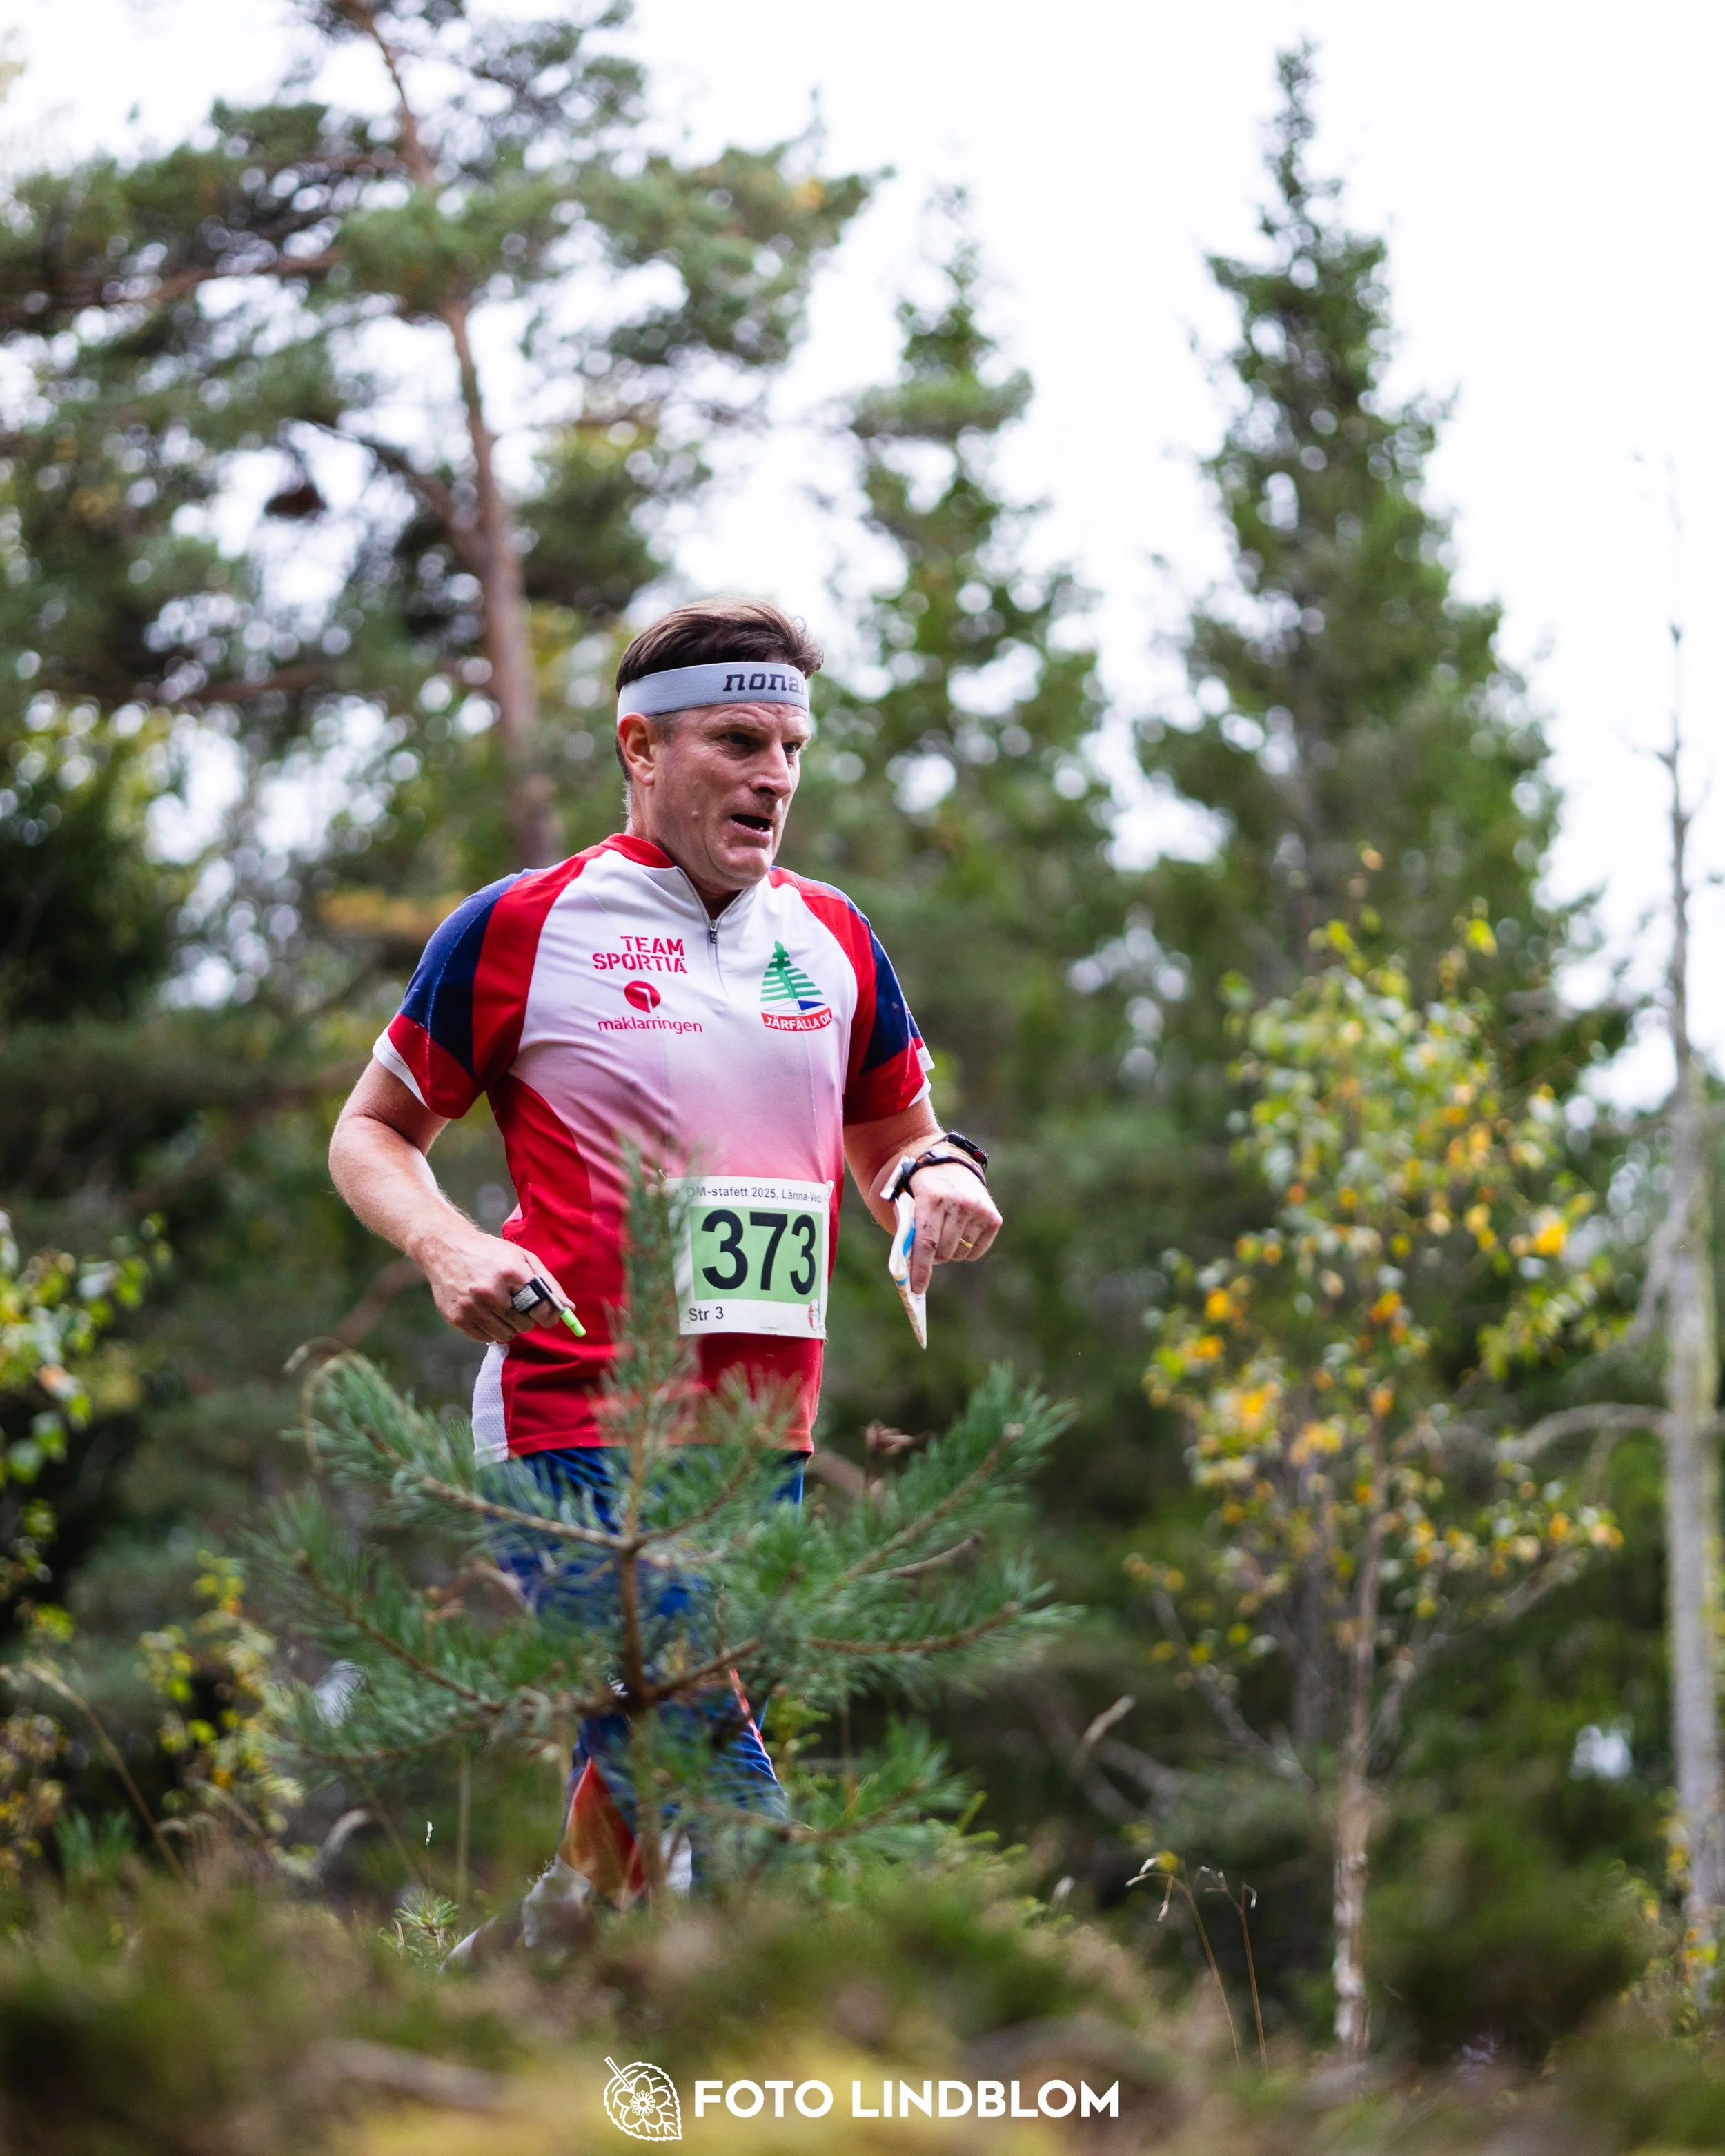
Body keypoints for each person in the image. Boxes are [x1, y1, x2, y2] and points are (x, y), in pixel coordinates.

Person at [327, 597, 1003, 1925]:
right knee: (707, 1774)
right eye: (738, 741)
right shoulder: (524, 925)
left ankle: (507, 1989)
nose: (774, 777)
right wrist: (446, 1244)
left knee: (634, 1786)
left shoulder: (835, 938)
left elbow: (895, 1144)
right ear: (640, 748)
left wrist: (942, 1178)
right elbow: (371, 1133)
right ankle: (809, 2009)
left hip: (763, 1437)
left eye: (793, 748)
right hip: (571, 1409)